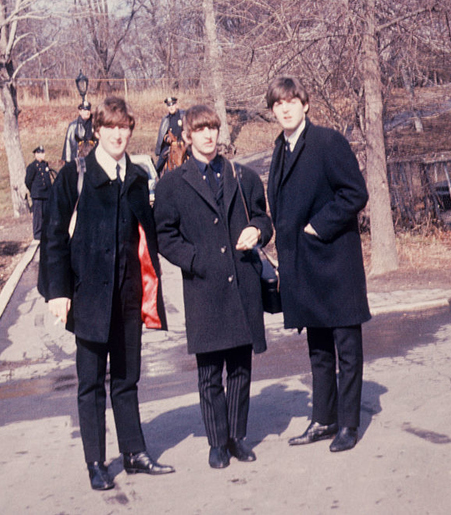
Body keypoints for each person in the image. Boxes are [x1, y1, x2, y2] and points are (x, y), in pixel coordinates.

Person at [42, 96, 175, 491]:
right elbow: (52, 239)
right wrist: (58, 292)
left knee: (127, 378)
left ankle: (134, 453)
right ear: (96, 131)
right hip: (88, 297)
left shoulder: (135, 175)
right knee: (90, 382)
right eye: (110, 127)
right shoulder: (74, 176)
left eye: (124, 127)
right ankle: (96, 462)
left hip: (128, 295)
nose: (118, 134)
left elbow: (148, 233)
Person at [154, 105, 273, 469]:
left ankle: (237, 437)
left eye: (213, 129)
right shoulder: (173, 183)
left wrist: (258, 231)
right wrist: (195, 261)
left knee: (240, 368)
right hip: (204, 288)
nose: (208, 136)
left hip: (242, 284)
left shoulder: (244, 176)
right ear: (187, 136)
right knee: (209, 373)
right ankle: (217, 442)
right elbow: (165, 236)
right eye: (200, 130)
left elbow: (263, 218)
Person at [266, 76, 371, 453]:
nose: (285, 108)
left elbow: (355, 192)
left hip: (335, 264)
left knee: (347, 349)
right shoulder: (280, 148)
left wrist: (317, 226)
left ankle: (348, 424)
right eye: (278, 104)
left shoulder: (328, 141)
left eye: (291, 101)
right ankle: (323, 419)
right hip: (304, 269)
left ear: (305, 104)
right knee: (319, 350)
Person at [24, 145, 53, 240]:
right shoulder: (32, 166)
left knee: (46, 214)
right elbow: (28, 181)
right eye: (40, 153)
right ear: (36, 154)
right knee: (38, 216)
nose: (42, 155)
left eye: (43, 153)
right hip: (37, 194)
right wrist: (33, 190)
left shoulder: (45, 165)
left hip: (46, 194)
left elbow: (47, 179)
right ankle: (37, 234)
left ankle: (46, 232)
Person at [154, 97, 186, 174]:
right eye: (169, 105)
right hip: (170, 145)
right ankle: (158, 180)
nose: (171, 107)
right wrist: (167, 138)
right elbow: (163, 135)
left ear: (176, 105)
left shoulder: (184, 115)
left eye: (173, 105)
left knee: (194, 159)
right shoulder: (165, 119)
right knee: (159, 163)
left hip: (184, 144)